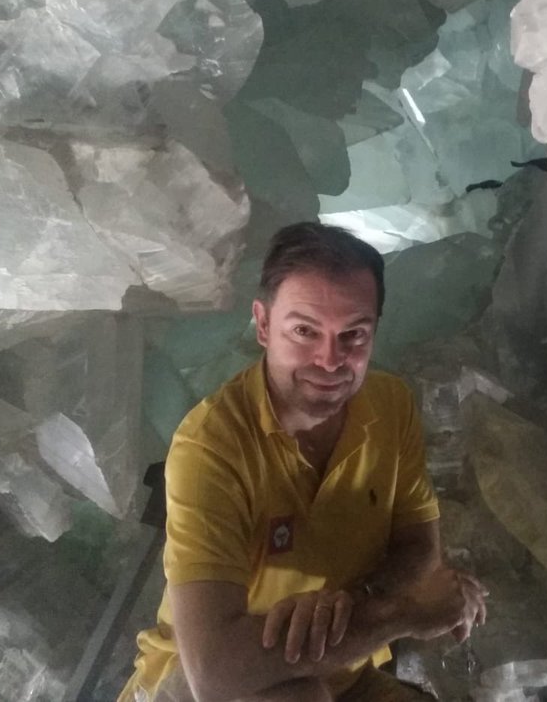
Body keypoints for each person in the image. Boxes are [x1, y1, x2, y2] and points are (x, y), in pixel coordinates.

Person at [119, 222, 487, 702]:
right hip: (199, 684)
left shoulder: (390, 404)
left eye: (353, 334)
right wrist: (406, 615)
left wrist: (357, 603)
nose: (331, 360)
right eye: (305, 331)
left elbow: (418, 544)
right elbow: (215, 672)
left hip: (337, 668)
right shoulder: (211, 447)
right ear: (264, 325)